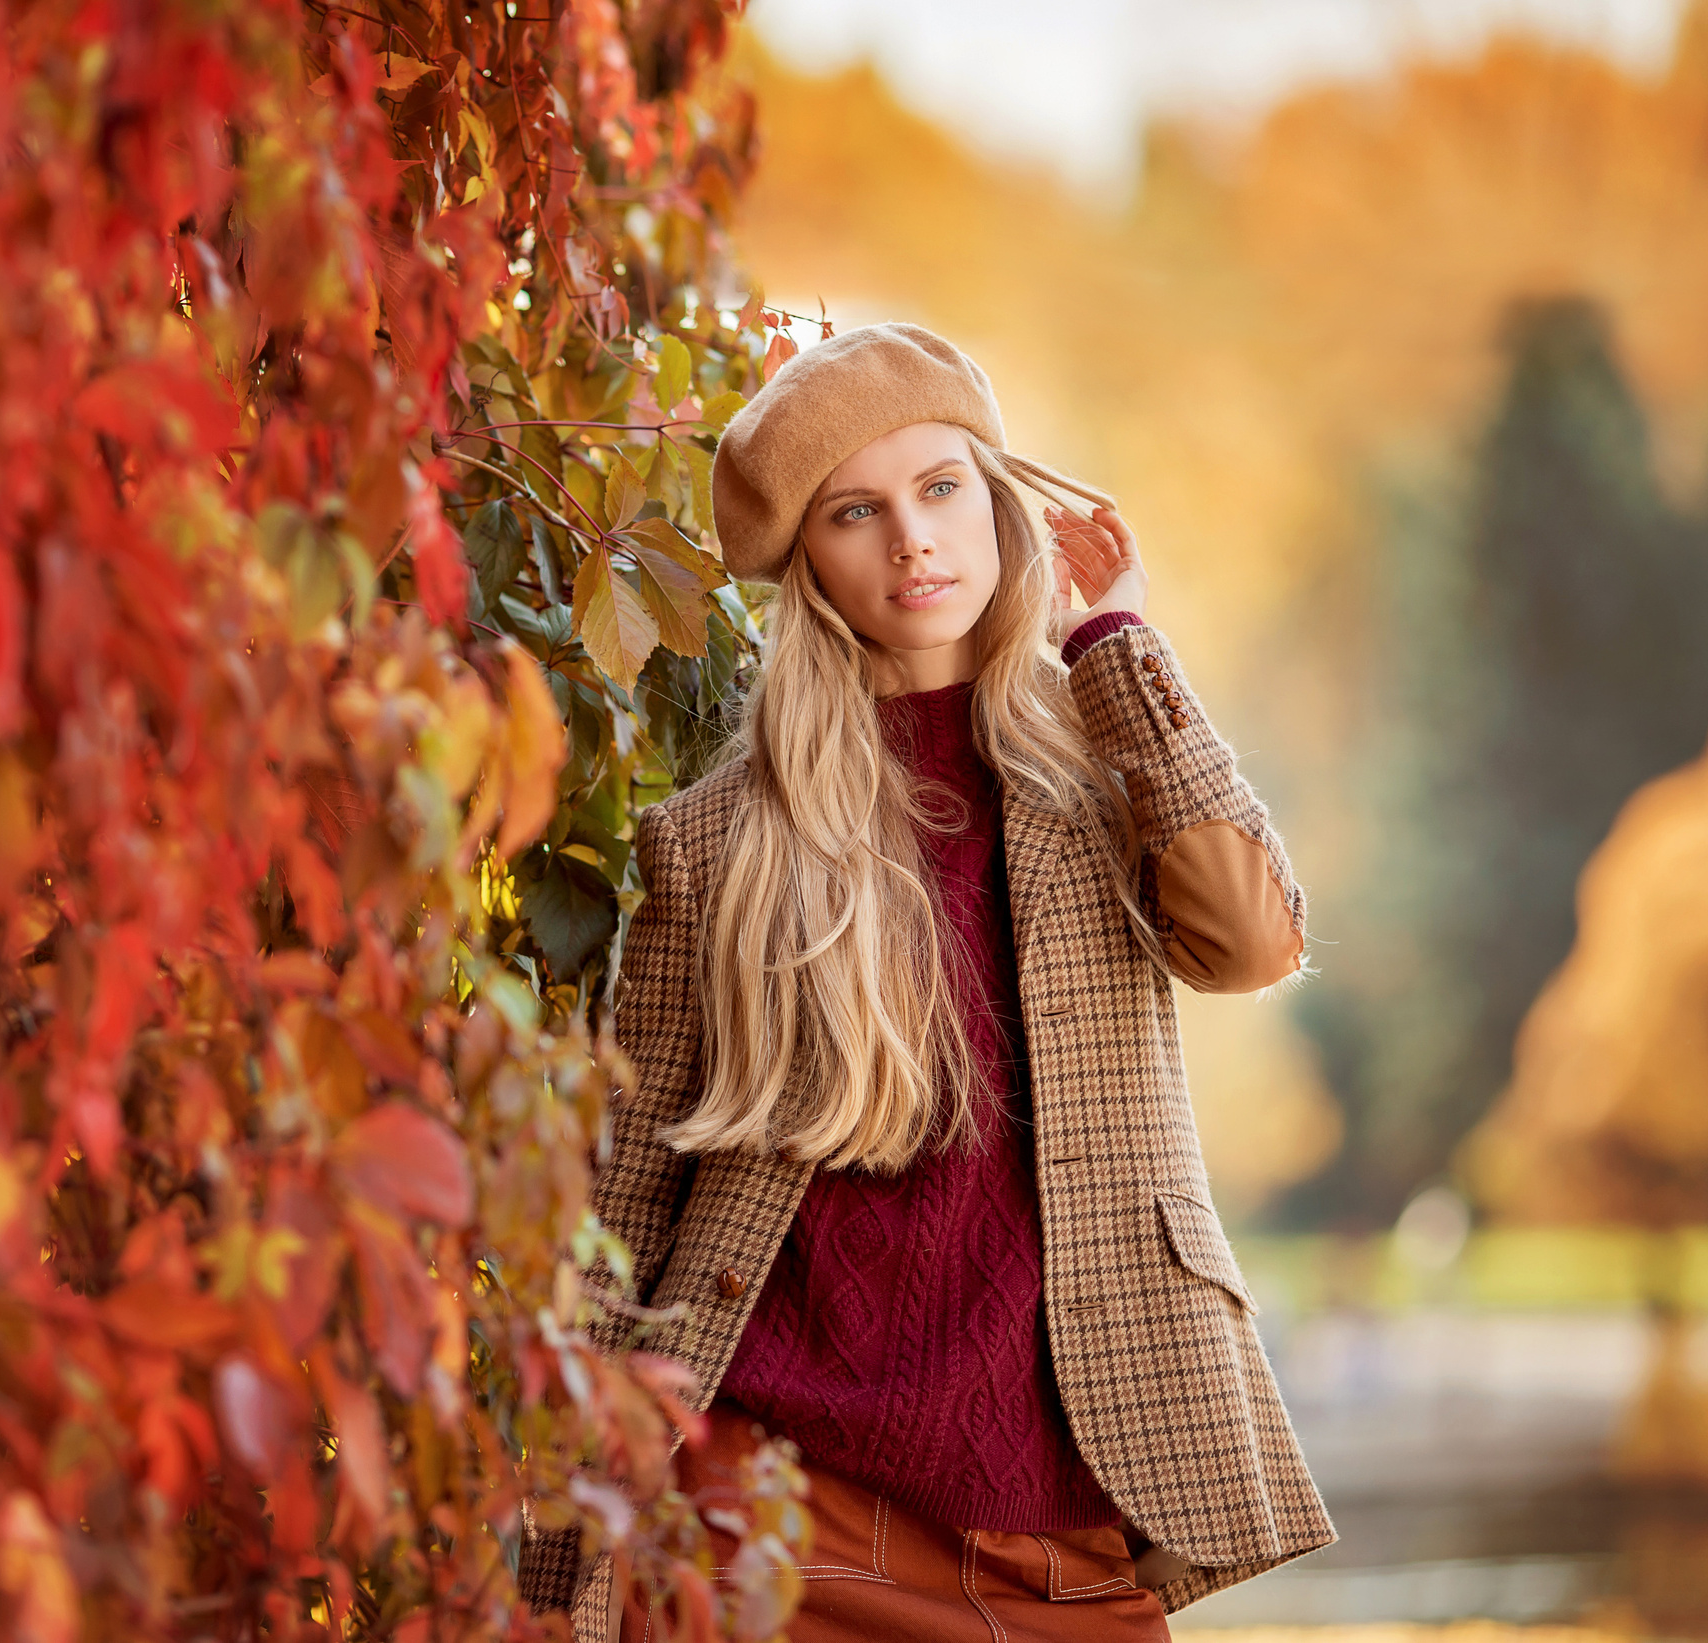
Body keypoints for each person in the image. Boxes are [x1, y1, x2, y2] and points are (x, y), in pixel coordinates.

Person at [518, 324, 1335, 1642]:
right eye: (859, 512)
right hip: (767, 1511)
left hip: (1059, 1514)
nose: (913, 542)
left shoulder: (1104, 769)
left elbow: (1251, 946)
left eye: (943, 489)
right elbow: (626, 1191)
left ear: (1003, 503)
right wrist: (554, 1572)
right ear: (810, 564)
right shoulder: (718, 840)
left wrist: (1117, 640)